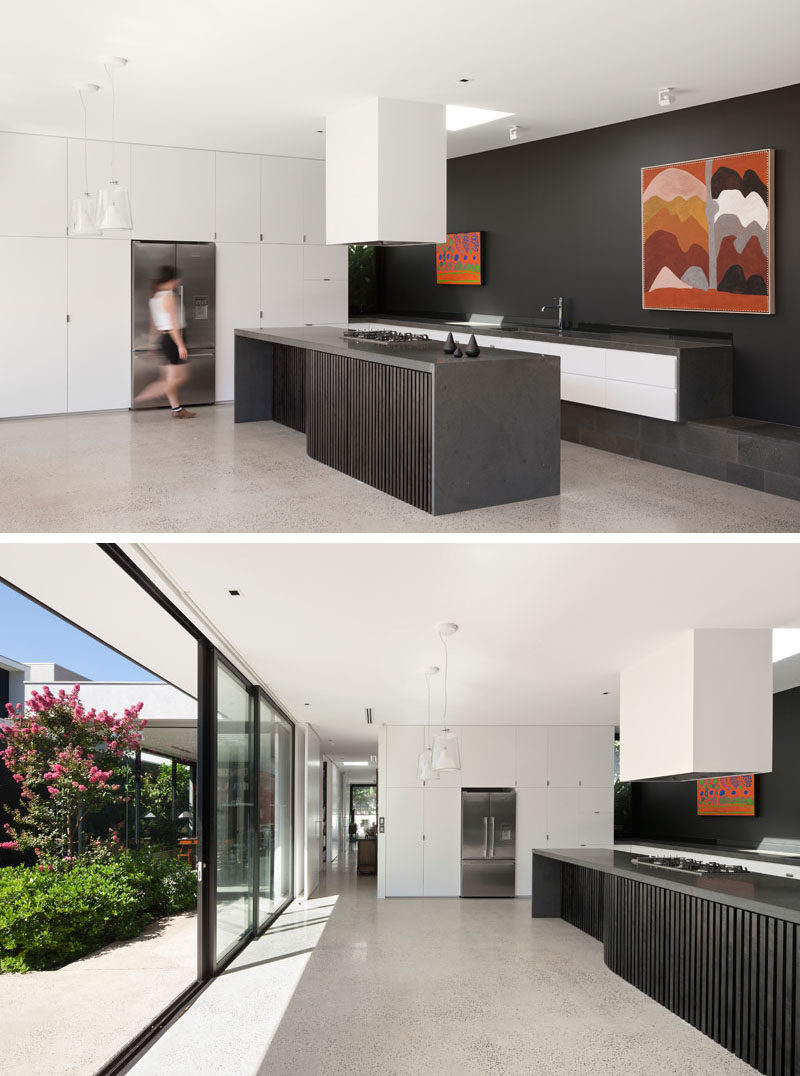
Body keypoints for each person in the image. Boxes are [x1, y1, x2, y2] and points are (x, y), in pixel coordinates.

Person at [134, 265, 195, 418]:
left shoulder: (155, 297)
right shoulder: (169, 296)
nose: (178, 282)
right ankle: (149, 394)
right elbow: (173, 323)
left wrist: (153, 342)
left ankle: (177, 410)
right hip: (173, 339)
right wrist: (181, 345)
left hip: (165, 339)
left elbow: (153, 323)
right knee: (182, 377)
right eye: (177, 279)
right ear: (172, 280)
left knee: (169, 378)